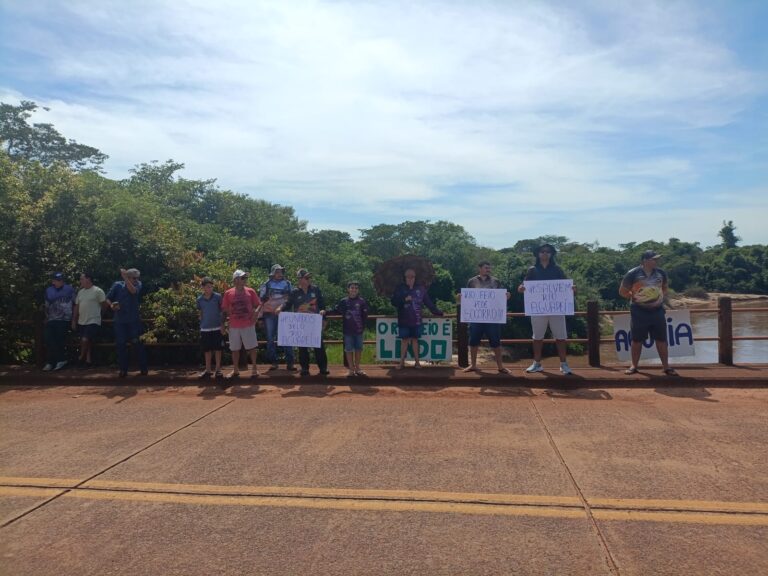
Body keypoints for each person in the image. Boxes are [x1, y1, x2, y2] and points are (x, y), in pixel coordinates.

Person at [518, 244, 575, 375]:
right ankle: (537, 364)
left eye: (548, 252)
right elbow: (523, 285)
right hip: (538, 309)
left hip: (557, 309)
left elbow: (567, 286)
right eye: (542, 251)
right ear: (538, 254)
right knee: (537, 337)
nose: (545, 254)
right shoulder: (532, 270)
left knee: (560, 337)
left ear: (551, 254)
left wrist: (572, 288)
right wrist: (521, 288)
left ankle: (563, 364)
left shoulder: (557, 269)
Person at [619, 250, 677, 376]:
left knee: (661, 339)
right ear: (645, 260)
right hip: (638, 312)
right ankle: (634, 366)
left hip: (657, 311)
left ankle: (666, 367)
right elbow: (622, 291)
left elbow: (665, 288)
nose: (656, 261)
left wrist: (656, 299)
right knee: (636, 340)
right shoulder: (632, 274)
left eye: (657, 259)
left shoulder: (661, 273)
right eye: (654, 259)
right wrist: (637, 297)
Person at [462, 261, 511, 374]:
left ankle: (500, 367)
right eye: (486, 268)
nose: (488, 270)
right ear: (479, 268)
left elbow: (501, 297)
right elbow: (468, 298)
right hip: (476, 318)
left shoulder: (496, 281)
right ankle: (473, 365)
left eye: (489, 268)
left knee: (496, 342)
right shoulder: (471, 281)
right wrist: (462, 297)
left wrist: (507, 296)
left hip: (492, 318)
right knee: (473, 342)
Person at [278, 269, 328, 377]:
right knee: (302, 347)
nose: (309, 279)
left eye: (309, 277)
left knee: (319, 346)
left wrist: (324, 315)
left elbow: (322, 304)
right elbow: (287, 303)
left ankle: (323, 368)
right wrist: (280, 308)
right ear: (300, 279)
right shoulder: (294, 292)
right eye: (306, 277)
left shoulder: (316, 289)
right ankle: (305, 368)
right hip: (301, 324)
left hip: (314, 323)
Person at [390, 268, 443, 369]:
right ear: (404, 277)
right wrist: (404, 299)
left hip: (416, 320)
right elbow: (393, 302)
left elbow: (429, 303)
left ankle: (417, 363)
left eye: (412, 276)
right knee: (404, 341)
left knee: (415, 340)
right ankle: (401, 363)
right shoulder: (400, 288)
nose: (410, 278)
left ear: (415, 277)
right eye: (408, 276)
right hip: (403, 320)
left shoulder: (421, 288)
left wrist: (439, 312)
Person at [106, 268, 148, 378]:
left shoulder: (138, 284)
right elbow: (108, 298)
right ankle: (123, 370)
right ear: (129, 277)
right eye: (134, 278)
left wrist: (125, 278)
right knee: (120, 345)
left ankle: (143, 369)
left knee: (138, 344)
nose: (136, 280)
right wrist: (111, 306)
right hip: (120, 321)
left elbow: (133, 291)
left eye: (137, 278)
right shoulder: (117, 285)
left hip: (134, 320)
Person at [222, 269, 261, 380]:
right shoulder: (228, 293)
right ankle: (235, 370)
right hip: (234, 325)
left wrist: (256, 312)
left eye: (245, 278)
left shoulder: (251, 291)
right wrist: (228, 317)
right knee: (234, 349)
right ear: (236, 280)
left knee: (252, 347)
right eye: (242, 278)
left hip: (248, 324)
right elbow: (224, 307)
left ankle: (254, 368)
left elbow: (258, 304)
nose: (245, 280)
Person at [259, 264, 295, 371]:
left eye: (281, 272)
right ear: (273, 273)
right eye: (277, 272)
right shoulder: (266, 284)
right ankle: (274, 362)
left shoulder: (288, 284)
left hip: (284, 314)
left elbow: (291, 299)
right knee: (270, 338)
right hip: (269, 314)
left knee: (286, 338)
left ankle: (290, 363)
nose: (280, 274)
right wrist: (260, 317)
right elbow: (261, 301)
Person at [331, 281, 369, 377]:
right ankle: (351, 369)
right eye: (352, 287)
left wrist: (362, 328)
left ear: (358, 290)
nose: (354, 289)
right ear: (348, 289)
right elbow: (335, 310)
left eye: (356, 288)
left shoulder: (362, 301)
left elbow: (365, 316)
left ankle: (358, 368)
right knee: (348, 350)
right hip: (347, 331)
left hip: (359, 331)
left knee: (358, 349)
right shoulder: (343, 301)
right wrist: (325, 312)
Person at [72, 272, 106, 369]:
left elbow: (104, 305)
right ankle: (88, 361)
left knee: (85, 339)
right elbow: (76, 307)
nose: (80, 281)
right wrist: (74, 320)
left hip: (93, 320)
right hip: (82, 320)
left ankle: (81, 358)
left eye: (82, 279)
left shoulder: (98, 291)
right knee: (87, 341)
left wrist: (99, 314)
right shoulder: (80, 292)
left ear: (88, 279)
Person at [43, 272, 75, 371]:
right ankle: (60, 359)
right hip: (51, 318)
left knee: (59, 340)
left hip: (64, 319)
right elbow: (46, 304)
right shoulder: (49, 290)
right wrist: (46, 317)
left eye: (60, 280)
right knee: (49, 339)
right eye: (57, 280)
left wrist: (74, 319)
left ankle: (51, 362)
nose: (59, 281)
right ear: (53, 281)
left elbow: (75, 304)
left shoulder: (70, 289)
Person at [196, 277, 225, 380]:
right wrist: (201, 321)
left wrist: (222, 325)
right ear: (203, 287)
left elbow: (222, 311)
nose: (210, 288)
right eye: (208, 286)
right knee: (207, 350)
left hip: (217, 327)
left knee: (218, 349)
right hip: (205, 328)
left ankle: (218, 370)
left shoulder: (218, 297)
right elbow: (200, 312)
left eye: (211, 286)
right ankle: (208, 370)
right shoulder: (199, 299)